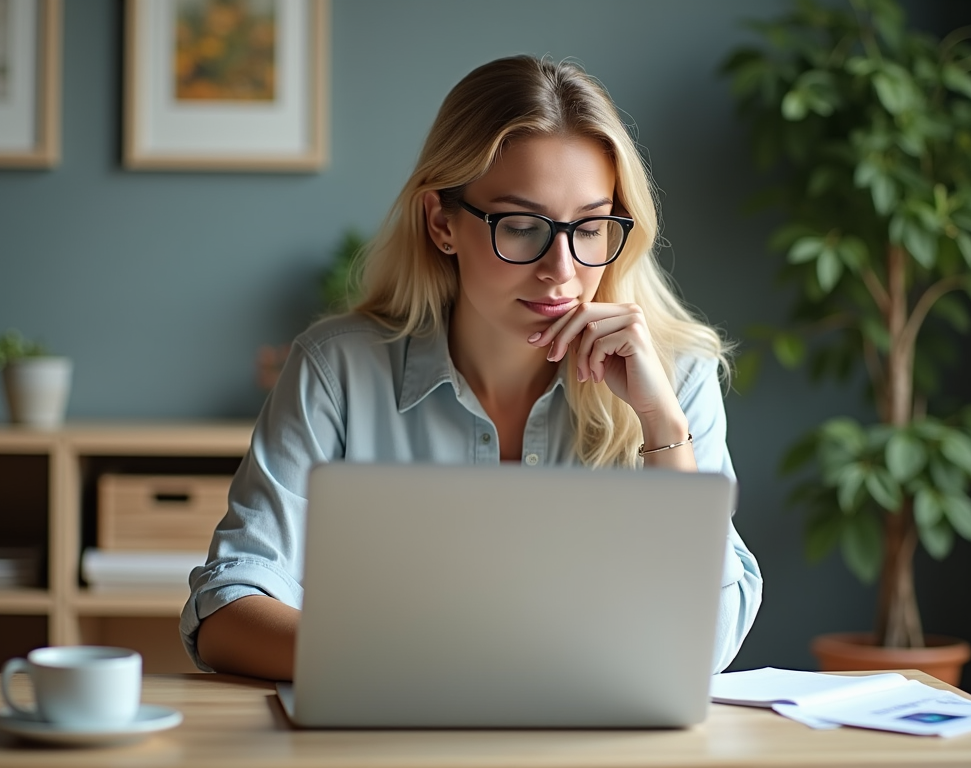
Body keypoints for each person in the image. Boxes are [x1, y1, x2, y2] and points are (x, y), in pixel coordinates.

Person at [181, 54, 762, 681]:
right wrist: (423, 670)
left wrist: (661, 428)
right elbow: (227, 606)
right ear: (441, 223)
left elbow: (705, 643)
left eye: (591, 228)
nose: (562, 269)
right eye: (520, 226)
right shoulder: (337, 371)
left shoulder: (675, 377)